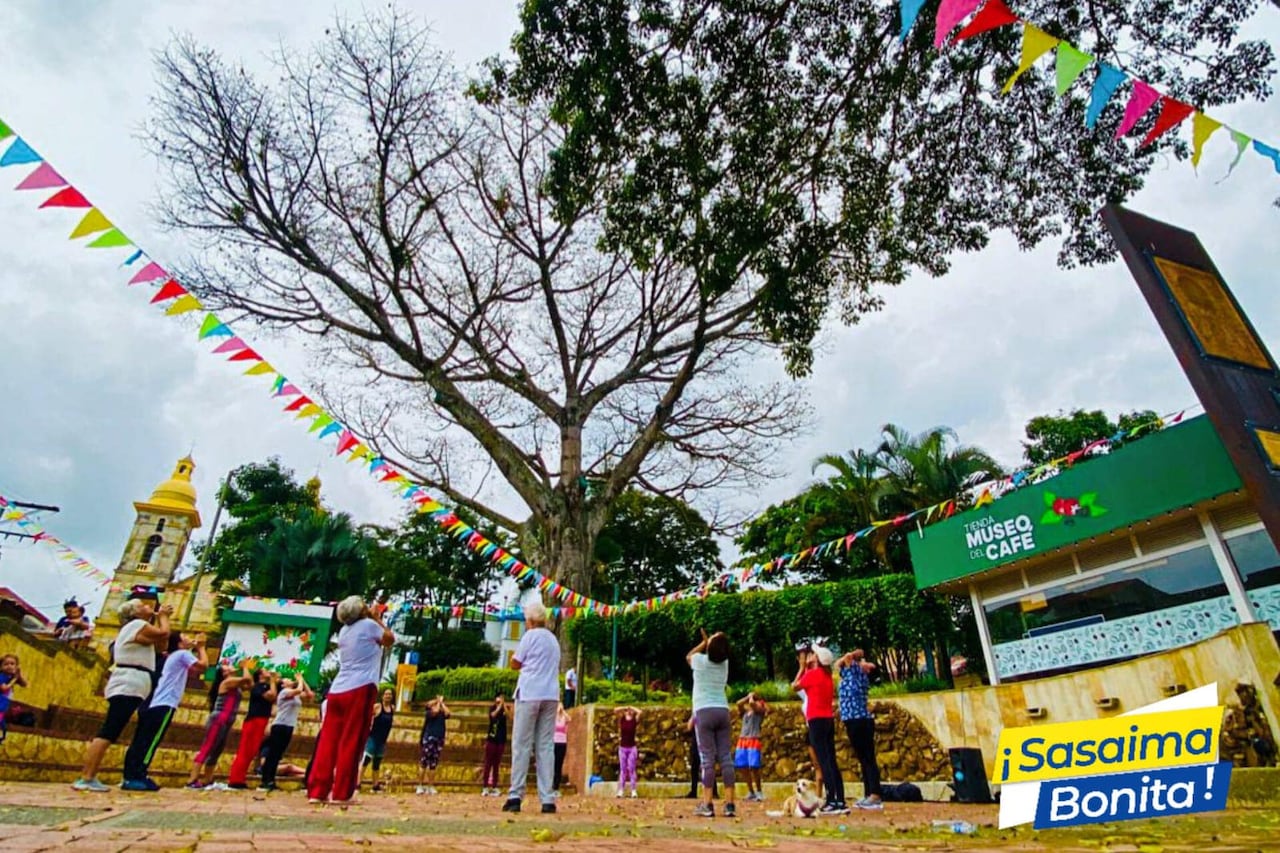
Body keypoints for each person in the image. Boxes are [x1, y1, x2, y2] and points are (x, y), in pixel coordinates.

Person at [72, 596, 172, 792]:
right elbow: (164, 632)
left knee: (112, 729)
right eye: (142, 605)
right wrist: (164, 616)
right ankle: (87, 776)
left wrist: (160, 621)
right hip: (128, 682)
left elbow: (161, 645)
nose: (147, 606)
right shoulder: (137, 624)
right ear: (133, 613)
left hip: (134, 683)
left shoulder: (137, 630)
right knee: (110, 730)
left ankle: (89, 776)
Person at [307, 596, 394, 805]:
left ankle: (317, 791)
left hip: (337, 689)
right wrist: (378, 619)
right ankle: (342, 792)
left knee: (328, 741)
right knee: (352, 740)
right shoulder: (368, 626)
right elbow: (390, 639)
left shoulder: (344, 631)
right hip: (360, 687)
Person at [122, 632, 208, 790]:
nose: (190, 638)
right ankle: (139, 774)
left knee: (141, 740)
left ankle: (130, 775)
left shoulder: (173, 657)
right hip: (164, 703)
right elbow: (202, 666)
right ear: (180, 644)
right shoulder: (182, 654)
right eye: (185, 637)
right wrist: (201, 648)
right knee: (151, 742)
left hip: (153, 704)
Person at [502, 599, 560, 815]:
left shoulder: (530, 636)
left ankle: (515, 795)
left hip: (529, 693)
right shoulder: (553, 639)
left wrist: (521, 664)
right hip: (551, 693)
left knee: (522, 744)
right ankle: (547, 798)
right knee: (546, 746)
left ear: (530, 620)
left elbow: (516, 661)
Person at [792, 645, 848, 815]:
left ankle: (832, 800)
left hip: (816, 720)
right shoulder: (827, 676)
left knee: (823, 760)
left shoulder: (813, 674)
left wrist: (802, 667)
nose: (811, 655)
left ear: (817, 659)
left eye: (813, 654)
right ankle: (839, 798)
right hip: (828, 719)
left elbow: (795, 686)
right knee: (831, 758)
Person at [688, 629, 735, 818]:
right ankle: (730, 804)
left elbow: (689, 656)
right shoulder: (725, 664)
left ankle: (707, 804)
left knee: (707, 759)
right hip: (722, 710)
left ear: (711, 647)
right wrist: (712, 642)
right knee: (725, 757)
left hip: (704, 711)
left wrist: (703, 642)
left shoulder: (699, 661)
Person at [188, 660, 254, 788]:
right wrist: (245, 667)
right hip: (219, 719)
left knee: (217, 750)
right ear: (224, 674)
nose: (231, 667)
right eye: (227, 667)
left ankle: (208, 778)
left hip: (228, 720)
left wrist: (244, 670)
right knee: (207, 748)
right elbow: (246, 678)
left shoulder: (236, 684)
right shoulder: (227, 682)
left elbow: (250, 684)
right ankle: (192, 779)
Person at [837, 649, 883, 810]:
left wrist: (854, 657)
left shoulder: (858, 676)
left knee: (868, 758)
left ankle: (875, 794)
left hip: (860, 720)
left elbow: (849, 657)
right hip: (852, 720)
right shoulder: (851, 674)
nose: (864, 663)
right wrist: (855, 657)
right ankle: (868, 793)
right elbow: (840, 663)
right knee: (863, 759)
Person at [260, 674, 313, 791]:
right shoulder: (284, 693)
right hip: (279, 725)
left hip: (289, 726)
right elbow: (299, 690)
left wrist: (303, 681)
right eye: (287, 680)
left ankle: (271, 779)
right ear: (283, 685)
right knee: (273, 754)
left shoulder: (296, 696)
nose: (290, 680)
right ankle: (265, 780)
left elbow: (309, 694)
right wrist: (299, 681)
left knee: (278, 754)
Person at [228, 669, 280, 788]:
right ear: (260, 675)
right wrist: (273, 681)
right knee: (245, 750)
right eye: (266, 671)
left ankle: (240, 778)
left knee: (251, 751)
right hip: (254, 720)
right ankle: (235, 779)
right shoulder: (258, 687)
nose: (269, 672)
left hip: (261, 720)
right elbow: (271, 696)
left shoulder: (265, 686)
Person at [734, 691, 768, 802]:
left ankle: (759, 791)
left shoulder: (760, 711)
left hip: (754, 739)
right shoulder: (745, 712)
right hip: (743, 740)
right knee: (742, 766)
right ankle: (751, 792)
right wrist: (748, 696)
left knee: (754, 767)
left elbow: (753, 704)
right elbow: (738, 703)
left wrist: (752, 697)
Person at [416, 695, 450, 795]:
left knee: (433, 764)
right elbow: (434, 712)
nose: (435, 704)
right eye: (433, 703)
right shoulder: (429, 713)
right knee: (424, 762)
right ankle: (420, 785)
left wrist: (442, 703)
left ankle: (430, 786)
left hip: (439, 739)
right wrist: (438, 701)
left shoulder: (441, 713)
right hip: (429, 738)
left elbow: (448, 713)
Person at [363, 688, 396, 791]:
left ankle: (375, 784)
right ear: (382, 696)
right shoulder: (377, 707)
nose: (388, 696)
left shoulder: (392, 708)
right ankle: (357, 783)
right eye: (386, 694)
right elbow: (367, 716)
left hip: (382, 740)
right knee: (365, 761)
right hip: (373, 738)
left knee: (377, 763)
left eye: (390, 694)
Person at [481, 693, 510, 796]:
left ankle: (494, 786)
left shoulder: (505, 709)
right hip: (492, 739)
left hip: (501, 739)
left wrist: (504, 706)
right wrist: (498, 707)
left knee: (496, 764)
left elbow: (510, 716)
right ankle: (485, 786)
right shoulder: (492, 708)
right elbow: (492, 715)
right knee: (488, 763)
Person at [614, 705, 641, 798]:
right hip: (622, 748)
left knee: (632, 769)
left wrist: (632, 707)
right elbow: (615, 710)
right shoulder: (622, 720)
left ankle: (633, 790)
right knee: (623, 769)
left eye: (629, 711)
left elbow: (640, 712)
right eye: (626, 711)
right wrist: (624, 707)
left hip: (632, 748)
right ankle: (621, 790)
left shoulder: (634, 721)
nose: (628, 712)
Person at [0, 654, 28, 743]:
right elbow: (4, 688)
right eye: (6, 664)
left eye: (12, 664)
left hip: (4, 704)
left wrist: (19, 675)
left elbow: (24, 684)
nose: (9, 666)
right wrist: (15, 679)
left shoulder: (11, 677)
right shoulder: (1, 676)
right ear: (1, 667)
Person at [552, 703, 569, 793]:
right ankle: (550, 785)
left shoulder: (564, 718)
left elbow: (569, 719)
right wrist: (556, 711)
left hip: (562, 743)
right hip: (554, 742)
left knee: (559, 765)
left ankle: (556, 787)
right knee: (552, 765)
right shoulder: (554, 717)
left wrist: (563, 712)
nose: (560, 708)